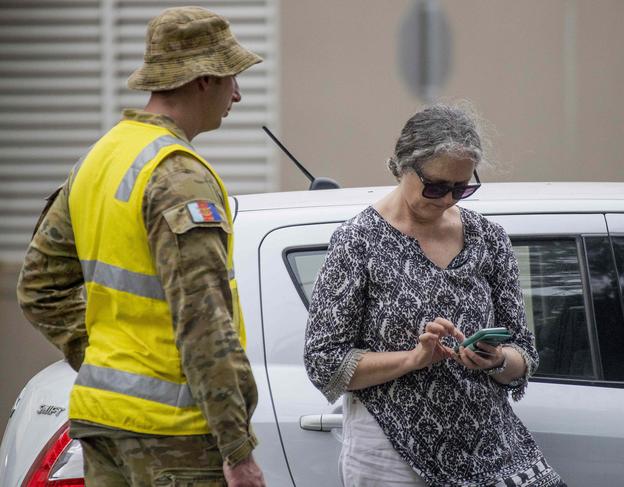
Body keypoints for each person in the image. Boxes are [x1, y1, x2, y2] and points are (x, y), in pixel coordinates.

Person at [17, 6, 265, 487]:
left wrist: (104, 363)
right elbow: (203, 322)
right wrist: (237, 448)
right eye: (231, 77)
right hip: (173, 438)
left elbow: (38, 287)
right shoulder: (180, 177)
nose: (238, 93)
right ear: (202, 80)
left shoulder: (100, 157)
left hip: (101, 421)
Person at [304, 104, 566, 486]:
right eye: (437, 186)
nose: (448, 200)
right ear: (402, 167)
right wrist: (414, 358)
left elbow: (524, 356)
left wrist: (494, 360)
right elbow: (325, 362)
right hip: (390, 454)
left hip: (488, 449)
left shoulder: (488, 239)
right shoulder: (357, 241)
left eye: (462, 188)